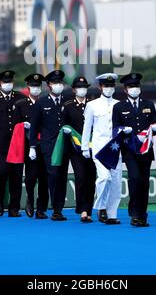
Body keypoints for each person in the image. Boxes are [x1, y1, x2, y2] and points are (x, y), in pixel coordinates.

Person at [112, 72, 156, 227]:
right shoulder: (119, 107)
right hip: (130, 150)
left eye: (136, 86)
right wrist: (122, 130)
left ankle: (142, 214)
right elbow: (114, 129)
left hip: (146, 150)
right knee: (134, 179)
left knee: (144, 183)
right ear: (125, 90)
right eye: (131, 86)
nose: (134, 89)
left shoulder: (149, 104)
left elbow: (153, 124)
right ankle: (134, 213)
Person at [81, 73, 122, 225]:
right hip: (99, 148)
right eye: (106, 86)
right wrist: (85, 147)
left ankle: (112, 214)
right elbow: (87, 128)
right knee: (104, 178)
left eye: (111, 86)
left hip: (115, 148)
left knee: (116, 182)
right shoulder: (92, 105)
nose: (109, 89)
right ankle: (101, 207)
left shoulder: (119, 104)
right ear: (100, 87)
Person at [0, 70, 26, 217]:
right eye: (5, 82)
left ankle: (14, 207)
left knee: (16, 175)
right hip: (0, 144)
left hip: (17, 144)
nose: (8, 84)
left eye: (10, 82)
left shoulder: (21, 98)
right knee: (1, 172)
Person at [29, 70, 68, 221]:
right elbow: (34, 126)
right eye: (55, 83)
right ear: (49, 85)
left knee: (62, 177)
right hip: (48, 147)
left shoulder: (67, 100)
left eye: (60, 83)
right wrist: (32, 146)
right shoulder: (41, 103)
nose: (58, 85)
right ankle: (54, 209)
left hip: (65, 146)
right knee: (52, 175)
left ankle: (57, 209)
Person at [12, 73, 49, 219]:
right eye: (33, 86)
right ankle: (30, 198)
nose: (36, 88)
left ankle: (41, 209)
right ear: (28, 87)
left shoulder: (46, 102)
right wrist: (23, 126)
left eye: (38, 86)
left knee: (44, 178)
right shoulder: (21, 104)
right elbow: (15, 126)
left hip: (45, 144)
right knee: (31, 177)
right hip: (28, 145)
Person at [62, 76, 96, 223]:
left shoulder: (93, 105)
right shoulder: (68, 106)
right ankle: (82, 209)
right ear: (74, 90)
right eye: (79, 87)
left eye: (85, 87)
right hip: (75, 149)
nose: (82, 90)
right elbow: (63, 125)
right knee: (81, 177)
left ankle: (88, 209)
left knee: (91, 178)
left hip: (93, 147)